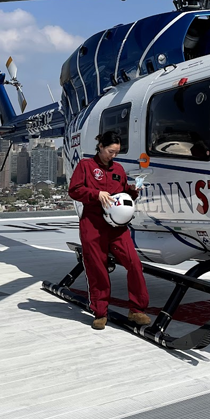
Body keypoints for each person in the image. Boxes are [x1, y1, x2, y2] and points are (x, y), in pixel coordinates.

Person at [68, 131, 151, 330]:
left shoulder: (119, 169)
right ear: (101, 147)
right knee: (97, 268)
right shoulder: (86, 166)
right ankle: (100, 312)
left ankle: (137, 309)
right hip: (93, 224)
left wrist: (134, 190)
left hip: (116, 226)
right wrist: (96, 194)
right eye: (110, 152)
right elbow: (74, 190)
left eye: (116, 153)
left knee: (133, 263)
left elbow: (123, 191)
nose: (113, 156)